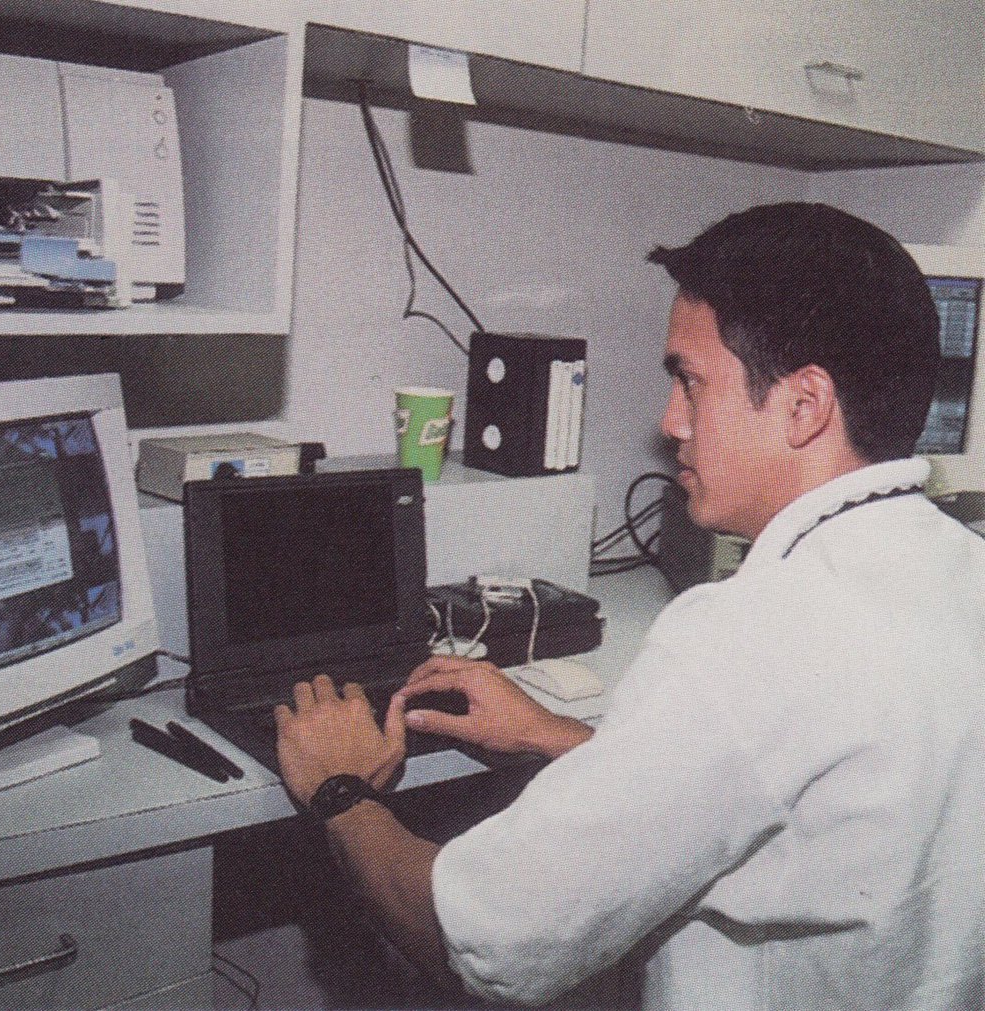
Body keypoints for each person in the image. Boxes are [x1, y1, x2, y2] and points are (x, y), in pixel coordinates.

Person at [274, 202, 985, 1009]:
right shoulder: (961, 571)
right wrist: (559, 736)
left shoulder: (745, 636)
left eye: (689, 381)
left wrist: (340, 792)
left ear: (804, 405)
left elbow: (477, 940)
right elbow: (794, 806)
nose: (670, 421)